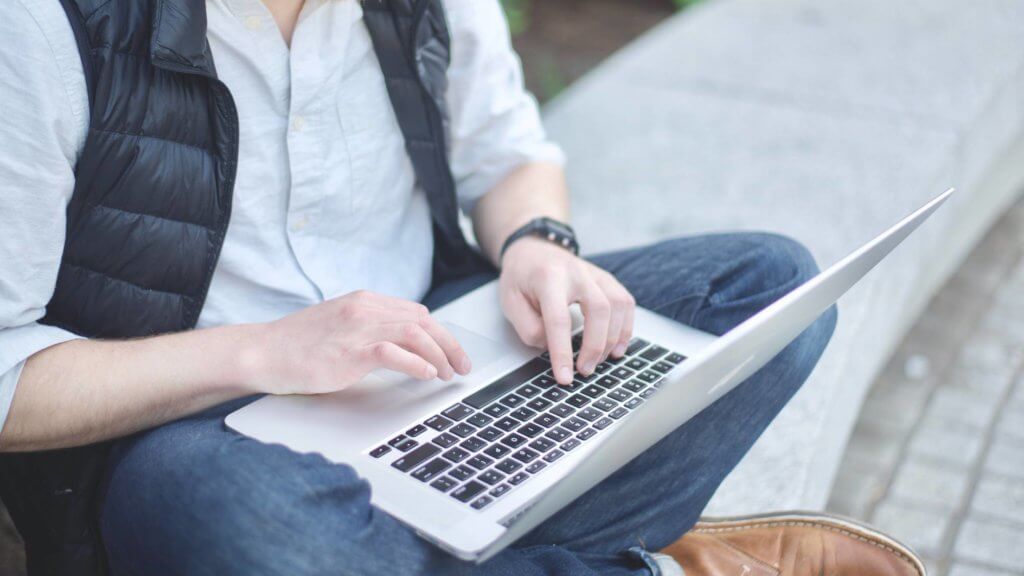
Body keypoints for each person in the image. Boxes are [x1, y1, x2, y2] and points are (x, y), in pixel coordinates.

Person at [0, 1, 922, 575]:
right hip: (207, 429)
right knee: (235, 523)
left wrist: (538, 244)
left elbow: (508, 153)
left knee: (766, 290)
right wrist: (262, 352)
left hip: (444, 358)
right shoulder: (43, 26)